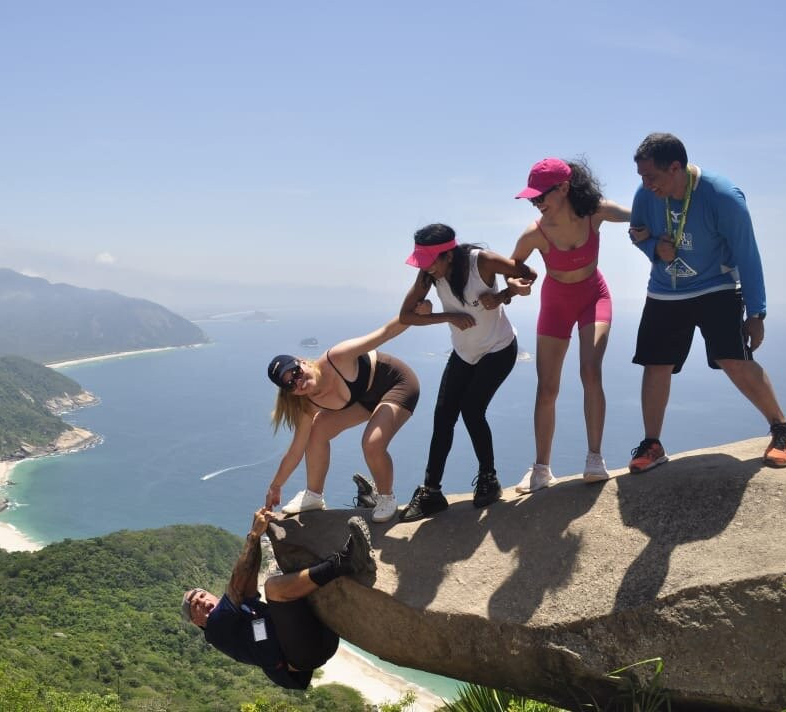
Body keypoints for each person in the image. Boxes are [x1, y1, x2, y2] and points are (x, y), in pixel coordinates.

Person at [626, 132, 786, 471]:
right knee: (656, 363)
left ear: (675, 167)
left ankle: (783, 429)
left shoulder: (722, 196)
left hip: (715, 286)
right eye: (642, 177)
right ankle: (652, 444)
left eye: (651, 176)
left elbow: (747, 254)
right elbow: (636, 232)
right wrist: (653, 250)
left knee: (733, 358)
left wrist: (757, 312)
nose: (645, 185)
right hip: (665, 289)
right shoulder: (646, 195)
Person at [396, 223, 536, 521]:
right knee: (443, 415)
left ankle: (489, 478)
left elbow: (529, 274)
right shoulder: (428, 275)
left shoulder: (481, 261)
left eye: (430, 260)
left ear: (448, 254)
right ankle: (431, 492)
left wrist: (501, 296)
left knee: (472, 410)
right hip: (464, 353)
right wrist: (447, 316)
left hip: (499, 349)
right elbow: (405, 315)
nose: (426, 267)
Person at [509, 158, 633, 493]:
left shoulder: (595, 213)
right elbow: (513, 267)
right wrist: (516, 284)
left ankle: (595, 459)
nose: (536, 203)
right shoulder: (534, 233)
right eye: (532, 198)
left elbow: (638, 214)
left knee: (591, 371)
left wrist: (652, 226)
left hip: (594, 296)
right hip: (556, 304)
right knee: (547, 387)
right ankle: (541, 468)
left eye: (540, 196)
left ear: (563, 188)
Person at [181, 508, 374, 689]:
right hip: (304, 655)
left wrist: (256, 535)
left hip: (317, 637)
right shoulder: (215, 630)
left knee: (297, 574)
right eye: (196, 605)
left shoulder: (238, 610)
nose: (203, 602)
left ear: (213, 595)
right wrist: (254, 535)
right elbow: (237, 586)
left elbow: (249, 576)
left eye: (203, 595)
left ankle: (367, 513)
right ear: (197, 622)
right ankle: (346, 561)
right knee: (273, 587)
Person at [264, 316, 420, 522]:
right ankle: (314, 496)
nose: (298, 381)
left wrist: (414, 314)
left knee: (372, 443)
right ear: (289, 392)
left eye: (296, 372)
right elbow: (296, 450)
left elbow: (384, 333)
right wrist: (275, 486)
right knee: (316, 429)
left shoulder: (337, 358)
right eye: (291, 384)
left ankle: (386, 498)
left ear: (302, 362)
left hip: (395, 383)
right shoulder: (307, 404)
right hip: (364, 398)